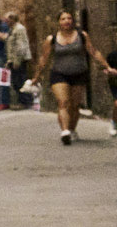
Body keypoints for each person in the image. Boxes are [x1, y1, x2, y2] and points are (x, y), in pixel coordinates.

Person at [35, 11, 106, 145]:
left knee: (74, 105)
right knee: (63, 102)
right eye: (63, 19)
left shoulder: (82, 35)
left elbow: (93, 51)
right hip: (59, 73)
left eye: (69, 18)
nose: (66, 21)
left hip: (79, 73)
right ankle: (65, 131)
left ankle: (72, 129)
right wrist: (36, 76)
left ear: (73, 21)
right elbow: (44, 58)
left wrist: (106, 66)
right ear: (59, 22)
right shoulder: (52, 39)